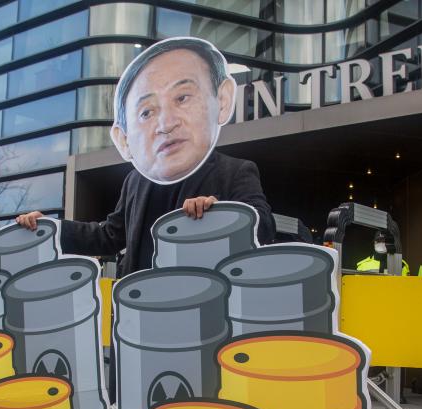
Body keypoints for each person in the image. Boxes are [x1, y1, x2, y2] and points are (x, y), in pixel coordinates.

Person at [16, 37, 275, 277]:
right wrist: (49, 228)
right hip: (137, 310)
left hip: (204, 309)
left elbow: (264, 227)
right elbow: (109, 236)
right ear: (124, 138)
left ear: (222, 100)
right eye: (146, 113)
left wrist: (221, 214)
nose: (166, 123)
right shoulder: (135, 181)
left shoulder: (236, 171)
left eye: (182, 97)